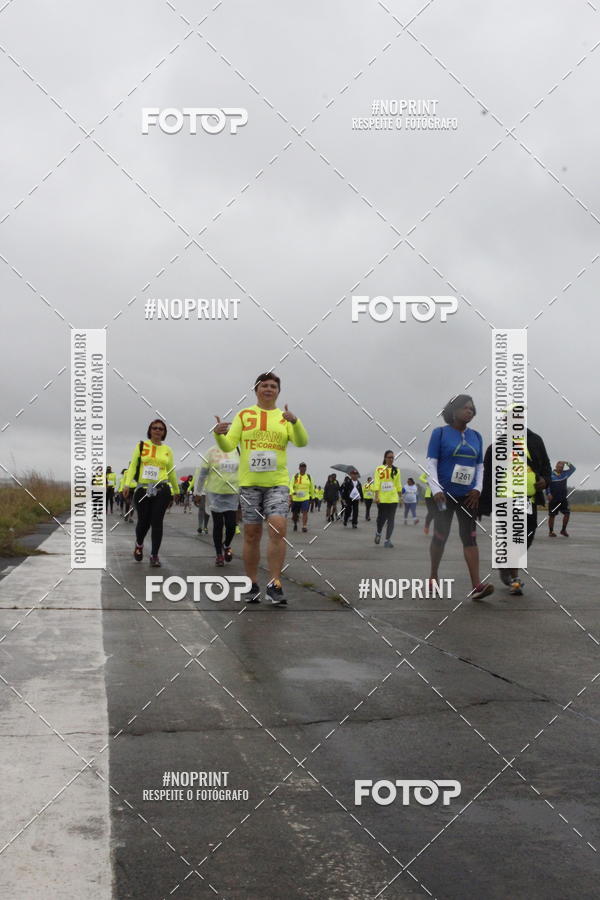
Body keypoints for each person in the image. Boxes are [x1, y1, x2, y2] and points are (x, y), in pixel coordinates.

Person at [214, 372, 308, 606]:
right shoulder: (244, 415)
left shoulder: (284, 418)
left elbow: (301, 441)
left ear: (278, 391)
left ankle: (275, 584)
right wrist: (218, 434)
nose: (268, 389)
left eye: (273, 386)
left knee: (278, 527)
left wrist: (295, 422)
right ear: (256, 390)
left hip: (277, 482)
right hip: (250, 484)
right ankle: (252, 583)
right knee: (252, 534)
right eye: (264, 385)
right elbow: (228, 445)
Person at [426, 395, 493, 600]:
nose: (469, 411)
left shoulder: (477, 436)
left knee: (470, 538)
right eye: (465, 407)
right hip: (444, 496)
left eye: (472, 408)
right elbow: (431, 464)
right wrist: (436, 489)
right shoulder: (439, 433)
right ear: (453, 411)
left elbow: (480, 467)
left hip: (468, 497)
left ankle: (476, 585)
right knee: (440, 536)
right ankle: (433, 575)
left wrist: (478, 489)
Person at [480, 426, 552, 595]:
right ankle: (515, 579)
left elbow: (546, 466)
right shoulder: (497, 447)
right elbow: (488, 477)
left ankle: (506, 562)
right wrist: (484, 503)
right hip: (506, 499)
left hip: (528, 499)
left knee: (528, 535)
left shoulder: (535, 440)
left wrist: (546, 480)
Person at [123, 419, 179, 567]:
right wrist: (127, 484)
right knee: (144, 522)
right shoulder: (141, 446)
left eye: (161, 428)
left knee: (157, 522)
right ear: (150, 430)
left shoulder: (168, 450)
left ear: (164, 432)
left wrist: (176, 490)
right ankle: (139, 544)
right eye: (155, 428)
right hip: (143, 489)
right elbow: (133, 466)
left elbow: (171, 472)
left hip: (162, 489)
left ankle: (154, 555)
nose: (158, 430)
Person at [194, 446, 240, 566]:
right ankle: (219, 554)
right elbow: (203, 473)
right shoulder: (211, 451)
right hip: (214, 494)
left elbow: (243, 471)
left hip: (232, 493)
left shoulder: (237, 450)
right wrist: (198, 492)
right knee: (218, 524)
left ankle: (226, 544)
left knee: (231, 525)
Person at [373, 450, 402, 548]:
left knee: (391, 519)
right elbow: (377, 483)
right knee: (381, 518)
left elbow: (398, 485)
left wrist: (400, 497)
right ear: (385, 458)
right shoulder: (379, 469)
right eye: (389, 457)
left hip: (393, 499)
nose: (391, 459)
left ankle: (387, 540)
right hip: (382, 499)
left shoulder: (396, 470)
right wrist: (376, 496)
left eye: (392, 457)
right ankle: (378, 532)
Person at [547, 460, 576, 537]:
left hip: (563, 498)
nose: (560, 468)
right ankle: (551, 532)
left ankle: (563, 530)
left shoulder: (565, 473)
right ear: (556, 466)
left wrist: (566, 462)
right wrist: (548, 494)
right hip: (553, 499)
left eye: (562, 467)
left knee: (567, 513)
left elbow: (573, 469)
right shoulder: (550, 475)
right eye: (559, 467)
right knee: (552, 515)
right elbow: (547, 486)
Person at [289, 463, 314, 532]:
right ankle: (295, 523)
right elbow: (290, 485)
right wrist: (292, 492)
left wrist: (312, 497)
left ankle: (304, 526)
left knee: (305, 512)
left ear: (306, 468)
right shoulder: (295, 476)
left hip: (305, 498)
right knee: (294, 514)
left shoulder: (308, 477)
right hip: (296, 498)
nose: (303, 468)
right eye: (301, 467)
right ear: (299, 468)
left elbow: (311, 487)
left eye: (304, 467)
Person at [419, 471, 436, 535]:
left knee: (439, 513)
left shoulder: (442, 471)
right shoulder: (430, 471)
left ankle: (437, 529)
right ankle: (427, 526)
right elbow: (421, 477)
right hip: (429, 496)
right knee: (431, 512)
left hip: (439, 495)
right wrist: (427, 482)